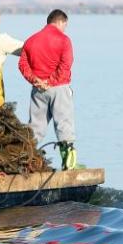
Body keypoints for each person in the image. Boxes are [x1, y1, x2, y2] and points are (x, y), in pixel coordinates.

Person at [18, 9, 79, 170]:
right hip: (59, 88)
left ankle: (27, 163)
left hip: (38, 90)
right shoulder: (64, 40)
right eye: (66, 25)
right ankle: (69, 164)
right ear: (61, 22)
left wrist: (35, 80)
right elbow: (65, 66)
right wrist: (50, 81)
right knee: (64, 125)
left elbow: (22, 64)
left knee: (35, 129)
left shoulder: (31, 40)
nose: (65, 28)